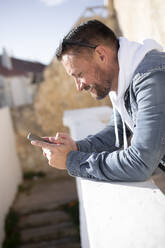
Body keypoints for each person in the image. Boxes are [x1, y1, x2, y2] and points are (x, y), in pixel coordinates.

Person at [31, 19, 165, 182]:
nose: (79, 87)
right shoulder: (123, 76)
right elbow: (115, 133)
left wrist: (70, 160)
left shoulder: (151, 78)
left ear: (101, 55)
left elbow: (140, 163)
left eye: (79, 75)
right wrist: (76, 147)